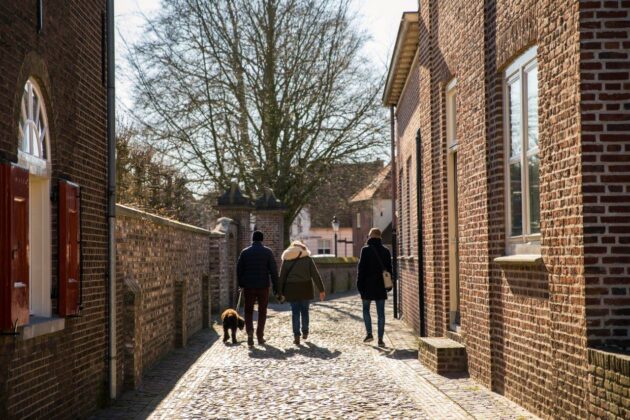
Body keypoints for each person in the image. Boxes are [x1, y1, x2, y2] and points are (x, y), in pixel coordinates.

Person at [277, 241, 326, 346]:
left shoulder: (286, 259)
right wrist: (321, 290)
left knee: (295, 312)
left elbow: (281, 278)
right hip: (305, 287)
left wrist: (279, 292)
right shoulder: (307, 259)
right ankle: (305, 331)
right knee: (305, 310)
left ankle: (296, 335)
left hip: (292, 289)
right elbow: (315, 275)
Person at [237, 230, 279, 347]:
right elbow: (273, 271)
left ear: (252, 239)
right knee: (262, 311)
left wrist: (241, 284)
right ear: (262, 239)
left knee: (248, 311)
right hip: (263, 286)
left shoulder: (245, 252)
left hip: (249, 286)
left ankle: (249, 331)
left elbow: (239, 269)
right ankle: (260, 336)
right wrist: (276, 287)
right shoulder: (267, 252)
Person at [357, 228, 392, 347]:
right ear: (380, 237)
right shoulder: (386, 251)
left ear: (370, 236)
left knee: (366, 310)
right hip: (381, 286)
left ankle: (369, 334)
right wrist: (389, 285)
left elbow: (361, 270)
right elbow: (389, 270)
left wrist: (359, 286)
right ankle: (381, 339)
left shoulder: (365, 250)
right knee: (381, 314)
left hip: (367, 286)